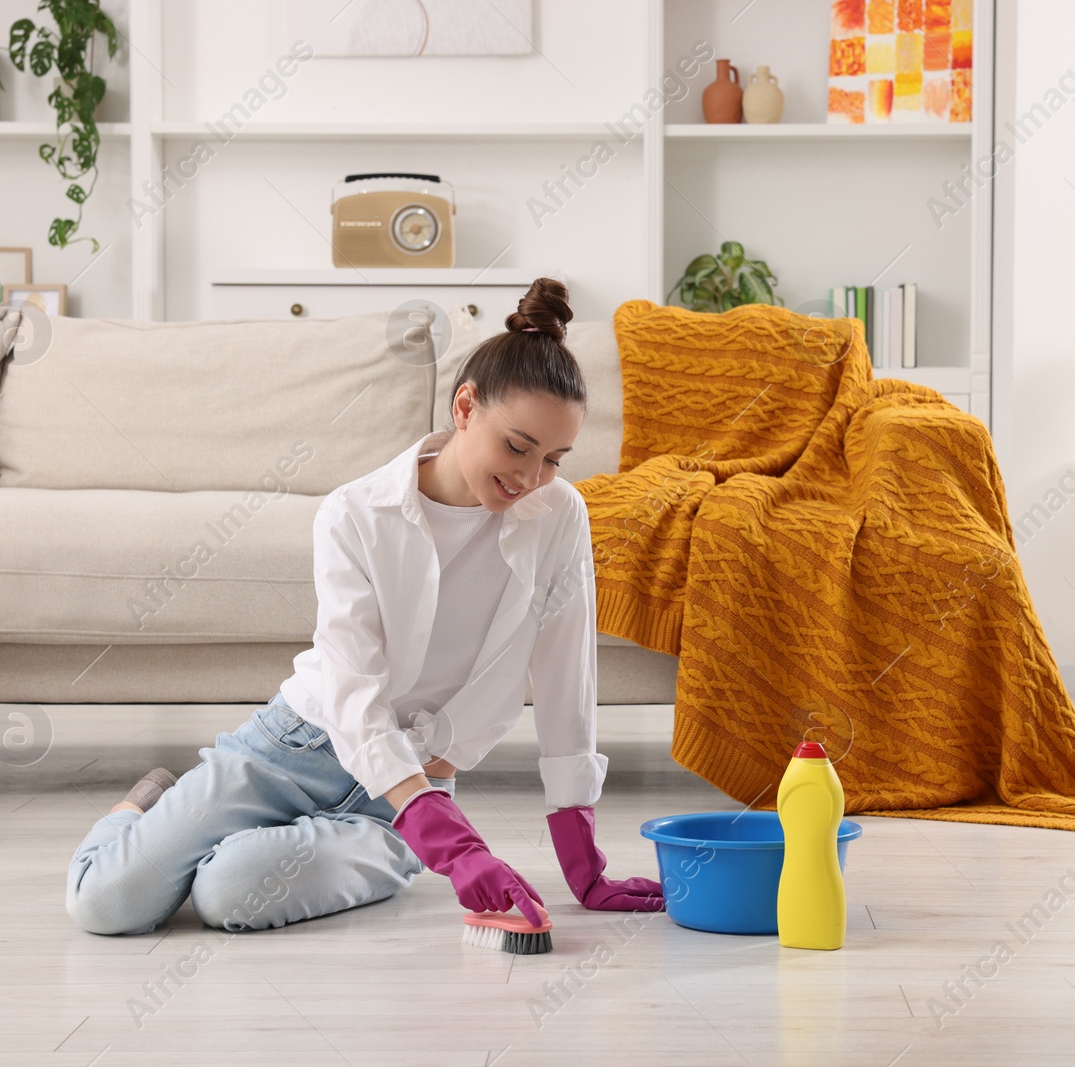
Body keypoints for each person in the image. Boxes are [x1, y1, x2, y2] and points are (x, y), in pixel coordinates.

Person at [66, 278, 664, 935]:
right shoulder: (354, 514)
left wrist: (583, 862)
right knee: (106, 902)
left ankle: (283, 847)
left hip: (402, 801)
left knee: (228, 892)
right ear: (465, 407)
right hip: (296, 748)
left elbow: (565, 681)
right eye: (517, 446)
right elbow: (353, 693)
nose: (529, 477)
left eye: (553, 459)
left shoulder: (558, 515)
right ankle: (141, 808)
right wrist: (456, 848)